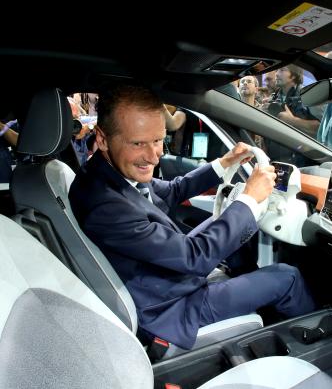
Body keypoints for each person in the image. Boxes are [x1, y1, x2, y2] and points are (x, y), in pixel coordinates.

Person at [69, 84, 315, 350]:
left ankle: (256, 296)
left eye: (157, 140)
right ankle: (317, 347)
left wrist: (225, 163)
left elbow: (173, 190)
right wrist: (248, 199)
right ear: (103, 139)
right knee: (287, 277)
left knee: (235, 229)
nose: (154, 156)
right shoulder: (106, 204)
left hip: (159, 281)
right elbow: (194, 257)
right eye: (139, 143)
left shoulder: (107, 172)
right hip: (169, 309)